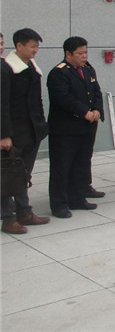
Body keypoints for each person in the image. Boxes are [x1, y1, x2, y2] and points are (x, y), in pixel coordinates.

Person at [47, 36, 105, 217]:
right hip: (66, 129)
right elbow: (64, 98)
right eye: (80, 53)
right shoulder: (59, 73)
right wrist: (84, 112)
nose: (84, 56)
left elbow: (96, 92)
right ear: (68, 53)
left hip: (87, 127)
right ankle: (59, 204)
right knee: (62, 167)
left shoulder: (87, 70)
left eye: (86, 52)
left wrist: (97, 110)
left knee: (81, 164)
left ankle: (78, 198)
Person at [1, 28, 51, 234]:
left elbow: (36, 99)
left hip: (31, 130)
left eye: (37, 46)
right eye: (32, 46)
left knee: (23, 174)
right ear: (19, 46)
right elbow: (1, 104)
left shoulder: (30, 66)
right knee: (7, 175)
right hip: (13, 133)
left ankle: (24, 211)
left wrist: (41, 125)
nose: (35, 50)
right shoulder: (5, 69)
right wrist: (4, 134)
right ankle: (7, 217)